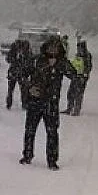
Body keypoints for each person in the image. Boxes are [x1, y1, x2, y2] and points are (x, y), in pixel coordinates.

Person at [20, 38, 75, 170]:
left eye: (56, 47)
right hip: (35, 101)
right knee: (30, 130)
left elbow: (73, 74)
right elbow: (22, 75)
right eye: (50, 47)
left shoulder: (61, 62)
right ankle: (27, 155)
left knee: (52, 132)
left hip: (52, 103)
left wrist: (61, 63)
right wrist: (29, 87)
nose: (53, 50)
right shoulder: (37, 60)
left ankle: (52, 160)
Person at [62, 40, 92, 116]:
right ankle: (69, 108)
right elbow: (75, 64)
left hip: (82, 77)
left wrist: (84, 76)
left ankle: (77, 109)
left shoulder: (87, 56)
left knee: (79, 94)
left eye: (79, 47)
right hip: (75, 76)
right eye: (78, 47)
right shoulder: (78, 55)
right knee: (70, 93)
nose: (78, 49)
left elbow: (88, 67)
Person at [5, 39, 32, 109]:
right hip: (16, 72)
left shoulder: (26, 52)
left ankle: (23, 103)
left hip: (20, 73)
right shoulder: (13, 51)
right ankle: (10, 103)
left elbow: (29, 62)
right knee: (12, 89)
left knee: (22, 90)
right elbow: (8, 59)